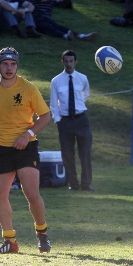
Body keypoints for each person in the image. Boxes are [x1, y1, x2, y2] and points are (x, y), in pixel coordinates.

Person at [0, 47, 52, 254]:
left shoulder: (28, 88)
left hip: (26, 147)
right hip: (2, 148)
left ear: (17, 65)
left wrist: (27, 135)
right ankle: (10, 241)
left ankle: (42, 233)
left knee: (31, 194)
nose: (9, 68)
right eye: (5, 64)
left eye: (13, 64)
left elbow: (45, 116)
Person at [50, 50, 94, 192]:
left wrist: (78, 107)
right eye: (66, 61)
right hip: (65, 121)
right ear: (62, 62)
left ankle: (86, 184)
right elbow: (53, 103)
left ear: (75, 62)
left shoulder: (82, 78)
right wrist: (58, 120)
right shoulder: (56, 81)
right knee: (68, 154)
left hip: (81, 119)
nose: (69, 64)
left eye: (71, 61)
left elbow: (85, 94)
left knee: (85, 153)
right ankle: (73, 184)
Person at [29, 0, 98, 40]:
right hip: (37, 19)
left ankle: (81, 36)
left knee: (58, 27)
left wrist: (60, 0)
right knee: (49, 28)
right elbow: (25, 4)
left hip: (47, 18)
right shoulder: (33, 0)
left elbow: (63, 4)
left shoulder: (51, 1)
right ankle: (65, 36)